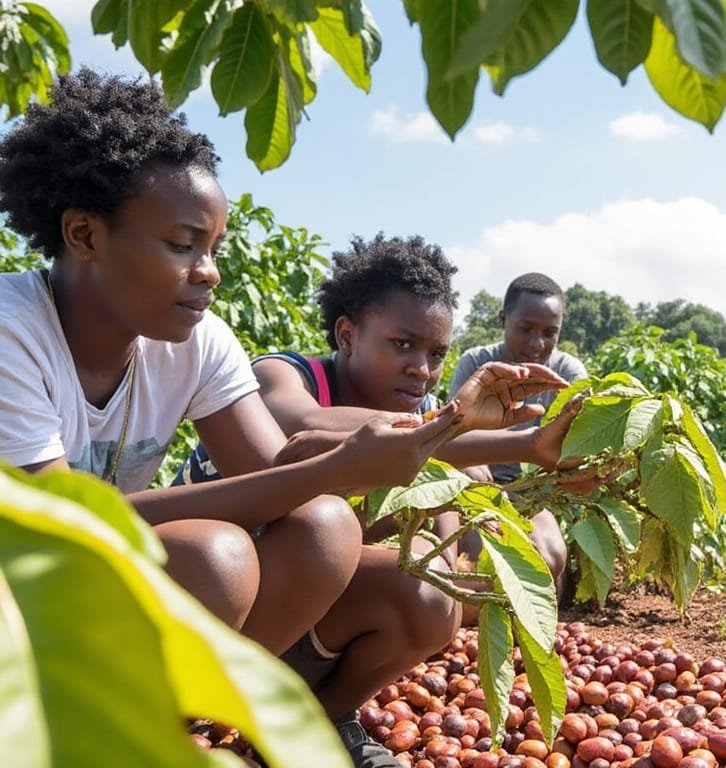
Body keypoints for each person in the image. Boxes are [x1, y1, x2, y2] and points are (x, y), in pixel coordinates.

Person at [0, 70, 561, 766]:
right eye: (183, 245)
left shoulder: (195, 343)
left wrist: (441, 430)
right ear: (84, 234)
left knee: (328, 526)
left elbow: (275, 476)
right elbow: (65, 532)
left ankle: (196, 733)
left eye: (214, 250)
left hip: (96, 598)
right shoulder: (12, 332)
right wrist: (335, 465)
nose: (208, 272)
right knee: (216, 557)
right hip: (18, 609)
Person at [174, 234, 576, 761]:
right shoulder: (285, 374)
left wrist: (529, 458)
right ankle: (177, 717)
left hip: (304, 607)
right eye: (402, 345)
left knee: (432, 600)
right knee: (325, 526)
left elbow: (448, 506)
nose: (422, 369)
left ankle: (315, 724)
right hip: (214, 594)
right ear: (347, 334)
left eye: (436, 354)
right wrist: (449, 425)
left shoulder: (427, 413)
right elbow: (307, 426)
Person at [448, 273, 590, 595]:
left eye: (549, 333)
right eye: (526, 329)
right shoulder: (478, 363)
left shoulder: (569, 374)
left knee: (548, 560)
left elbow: (576, 447)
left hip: (536, 488)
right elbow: (453, 438)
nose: (536, 343)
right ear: (503, 319)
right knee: (478, 564)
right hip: (479, 485)